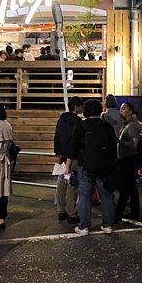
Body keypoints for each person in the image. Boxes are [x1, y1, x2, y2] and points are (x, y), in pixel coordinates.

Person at [66, 99, 118, 236]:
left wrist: (68, 167)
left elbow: (72, 149)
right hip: (104, 167)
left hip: (85, 166)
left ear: (86, 111)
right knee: (106, 196)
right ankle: (107, 225)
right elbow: (113, 149)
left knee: (84, 196)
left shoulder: (81, 126)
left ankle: (83, 227)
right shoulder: (107, 127)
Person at [53, 96, 83, 224]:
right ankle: (72, 212)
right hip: (74, 157)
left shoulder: (61, 120)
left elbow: (57, 137)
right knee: (72, 185)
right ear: (76, 107)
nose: (82, 108)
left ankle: (61, 211)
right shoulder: (77, 121)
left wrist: (59, 154)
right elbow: (76, 141)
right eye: (81, 105)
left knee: (61, 184)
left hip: (62, 157)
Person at [115, 101, 142, 221]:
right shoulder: (125, 124)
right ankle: (127, 211)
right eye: (121, 109)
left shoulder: (131, 126)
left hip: (128, 159)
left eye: (124, 109)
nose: (121, 111)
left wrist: (119, 142)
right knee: (128, 187)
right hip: (125, 159)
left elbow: (134, 144)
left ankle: (121, 212)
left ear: (130, 111)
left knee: (128, 187)